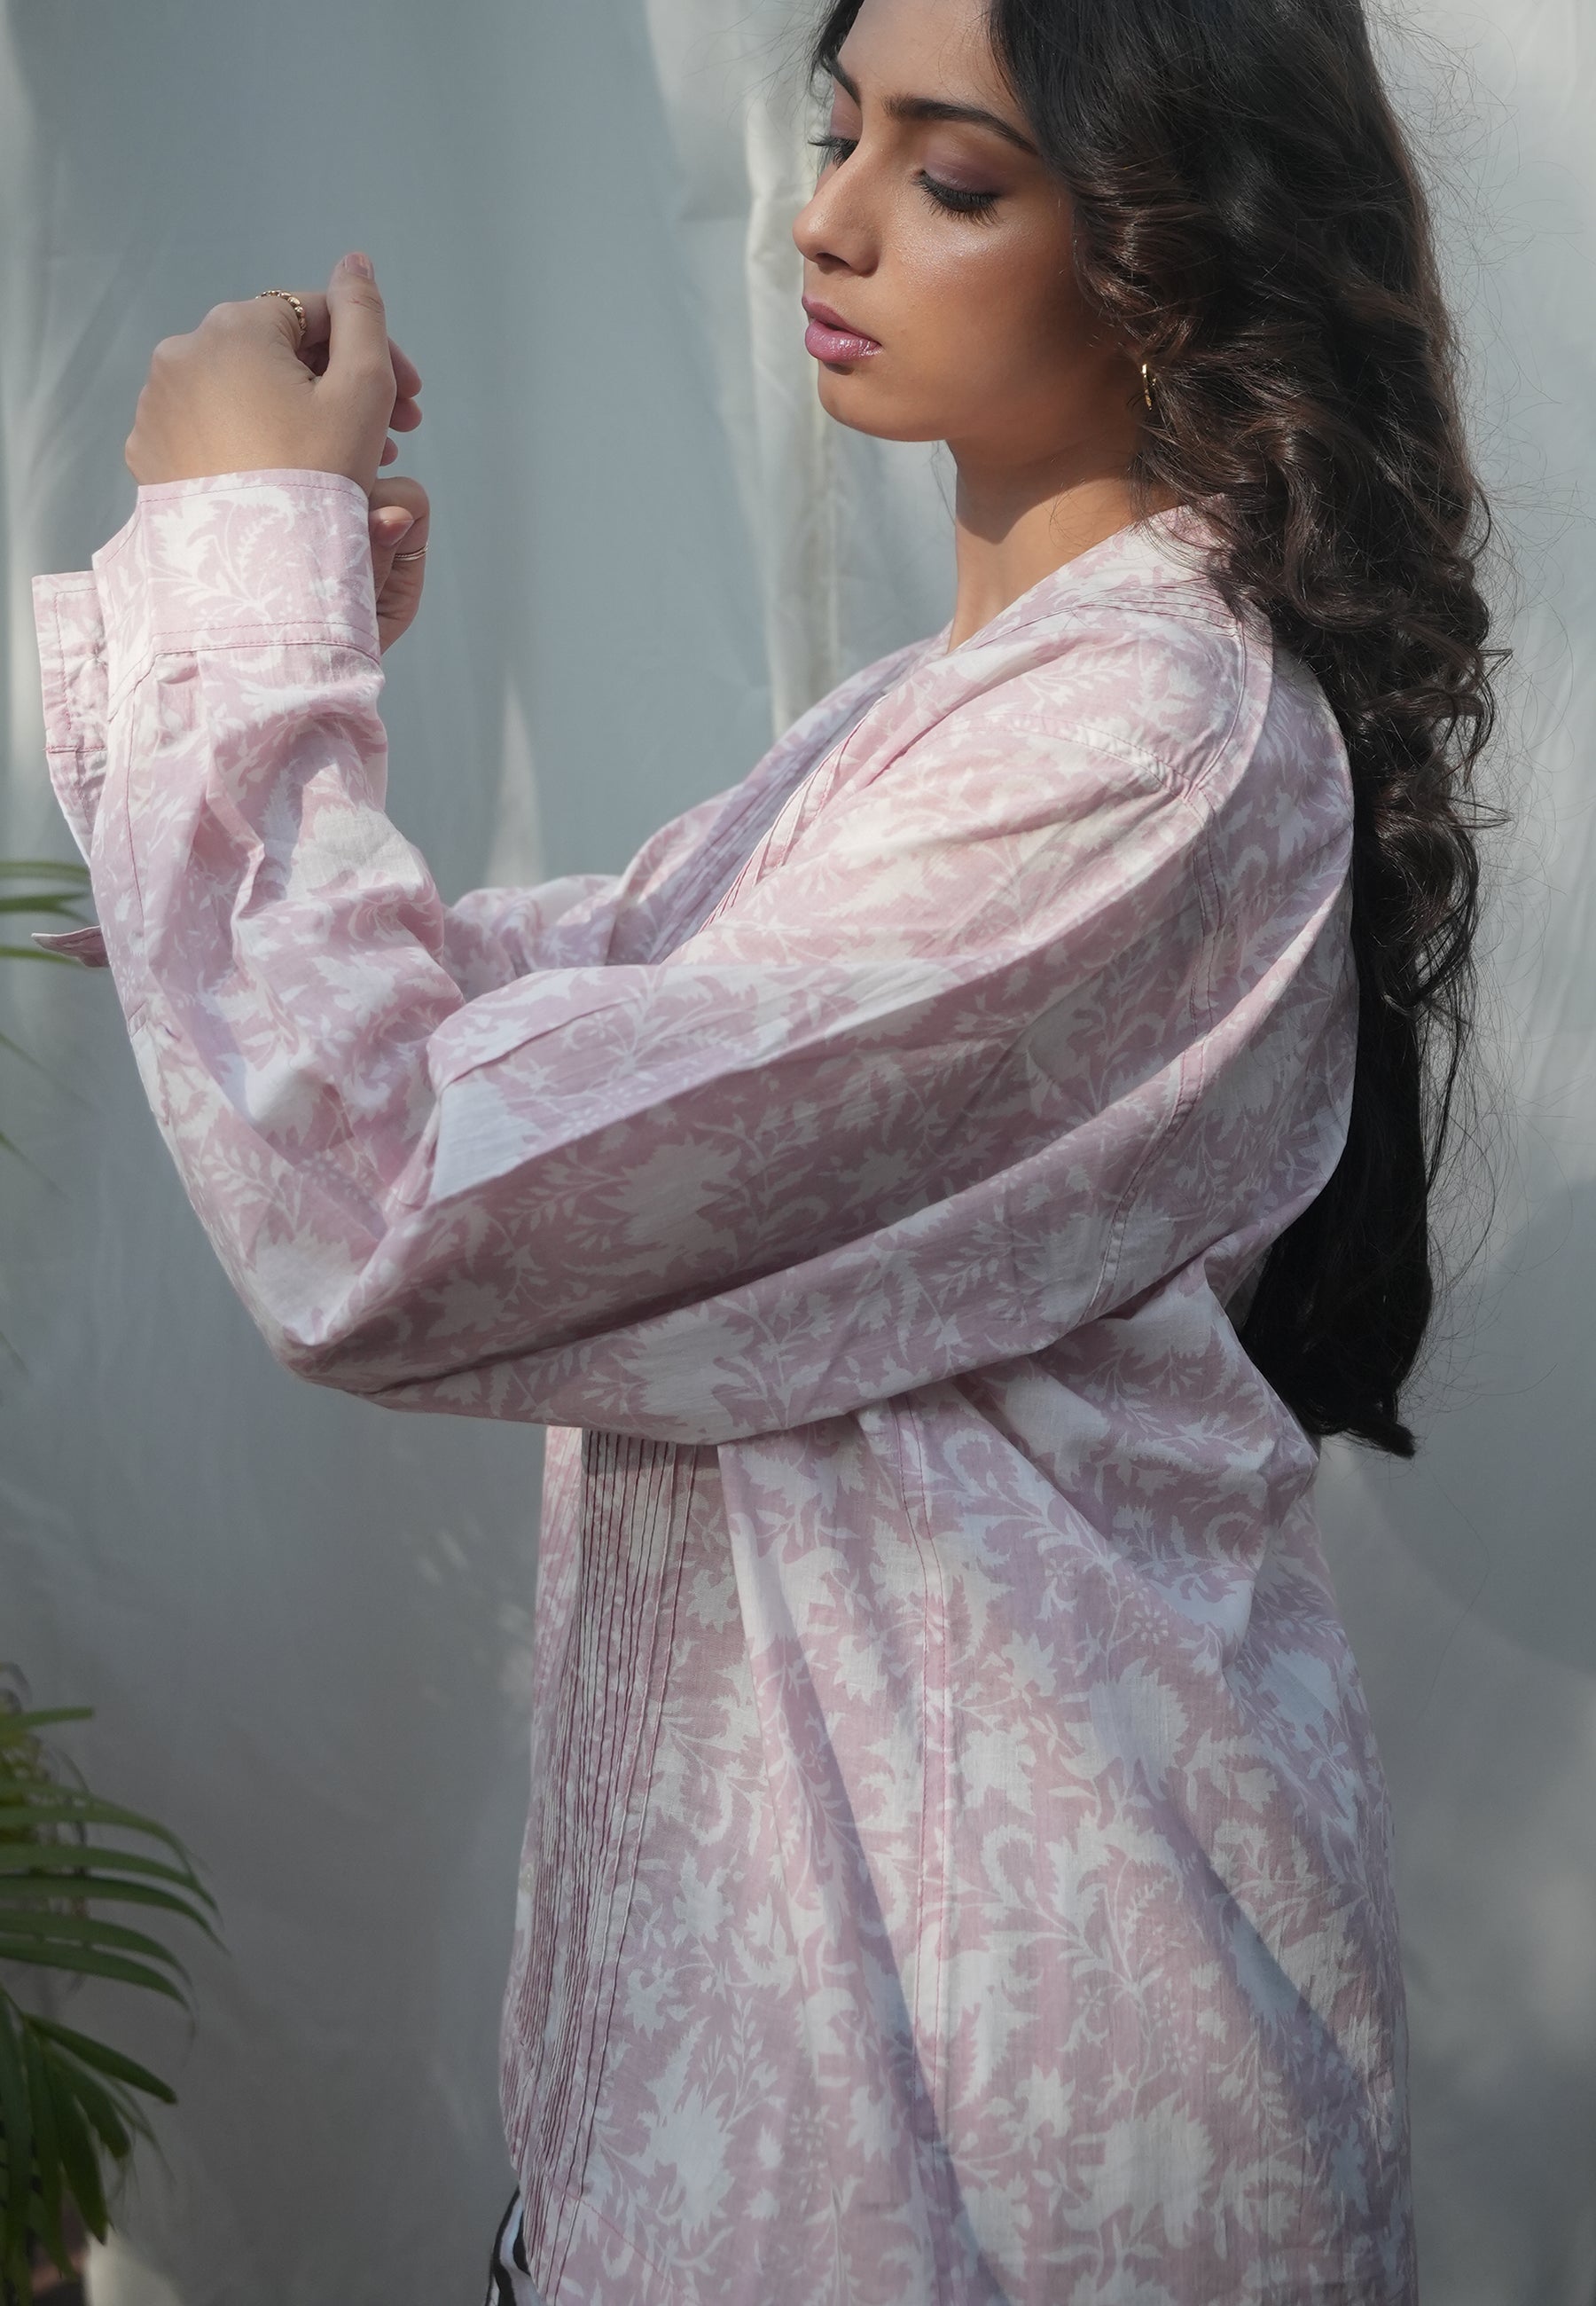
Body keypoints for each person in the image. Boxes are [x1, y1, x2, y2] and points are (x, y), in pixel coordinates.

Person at [32, 0, 1496, 2295]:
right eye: (837, 138)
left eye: (951, 173)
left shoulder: (1144, 745)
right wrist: (278, 616)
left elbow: (398, 1193)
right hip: (829, 2064)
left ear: (1180, 248)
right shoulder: (957, 723)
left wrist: (244, 564)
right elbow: (510, 1028)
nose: (827, 220)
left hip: (994, 2117)